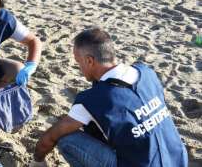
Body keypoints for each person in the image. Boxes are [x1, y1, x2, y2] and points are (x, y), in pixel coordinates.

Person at [30, 28, 188, 167]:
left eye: (79, 63)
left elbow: (51, 137)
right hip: (178, 159)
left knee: (66, 138)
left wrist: (38, 159)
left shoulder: (92, 99)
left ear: (89, 61)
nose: (79, 68)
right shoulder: (147, 72)